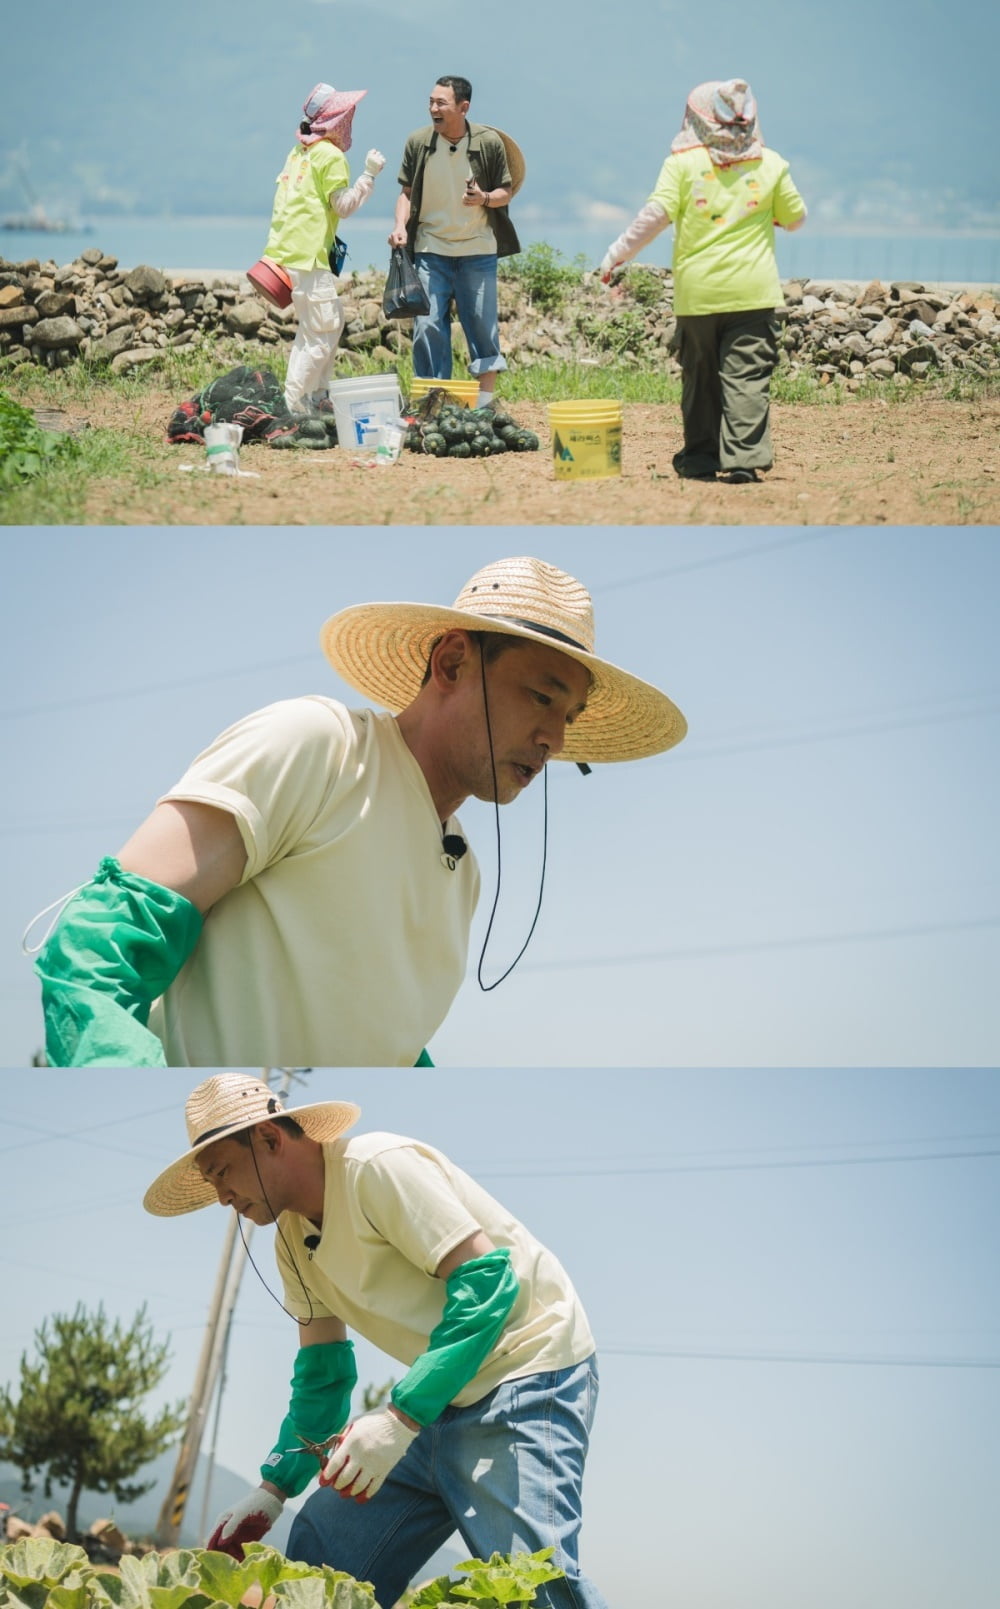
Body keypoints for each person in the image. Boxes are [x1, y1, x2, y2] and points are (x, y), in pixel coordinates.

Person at [32, 556, 687, 1068]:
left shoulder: (464, 879)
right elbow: (98, 940)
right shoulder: (318, 747)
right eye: (541, 696)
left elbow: (384, 1047)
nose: (556, 738)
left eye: (568, 716)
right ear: (453, 661)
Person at [143, 1074, 610, 1609]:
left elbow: (488, 1283)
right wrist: (274, 1489)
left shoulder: (375, 1167)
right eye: (210, 1182)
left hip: (525, 1369)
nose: (221, 1195)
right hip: (434, 1397)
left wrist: (400, 1418)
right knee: (323, 1553)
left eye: (222, 1171)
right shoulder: (291, 1244)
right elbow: (323, 1377)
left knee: (533, 1586)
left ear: (271, 1139)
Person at [601, 79, 807, 484]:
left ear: (695, 117)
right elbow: (795, 218)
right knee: (747, 377)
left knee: (700, 379)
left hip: (697, 297)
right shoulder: (772, 164)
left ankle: (699, 459)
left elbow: (653, 218)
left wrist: (615, 256)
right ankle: (744, 459)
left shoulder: (681, 164)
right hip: (753, 293)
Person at [390, 77, 522, 408]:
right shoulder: (419, 143)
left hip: (478, 251)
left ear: (463, 108)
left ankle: (486, 403)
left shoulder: (489, 143)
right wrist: (399, 226)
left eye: (441, 103)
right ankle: (435, 403)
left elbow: (506, 191)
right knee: (428, 327)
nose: (433, 108)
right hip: (431, 250)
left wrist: (484, 198)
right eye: (431, 101)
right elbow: (405, 194)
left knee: (482, 328)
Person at [262, 84, 386, 416]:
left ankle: (317, 395)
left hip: (289, 254)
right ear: (334, 120)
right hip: (311, 257)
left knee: (324, 325)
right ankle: (293, 406)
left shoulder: (298, 153)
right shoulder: (330, 156)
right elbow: (343, 206)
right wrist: (369, 176)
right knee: (320, 333)